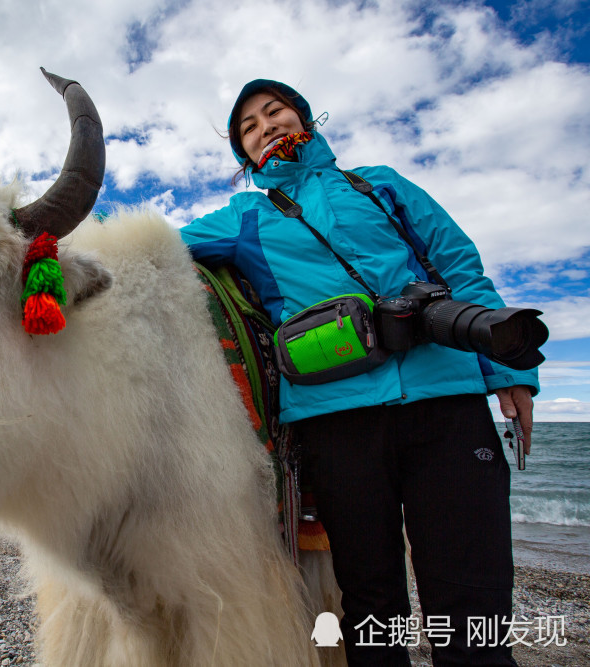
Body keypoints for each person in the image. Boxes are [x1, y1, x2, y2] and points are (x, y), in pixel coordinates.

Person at [180, 79, 539, 666]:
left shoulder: (377, 184)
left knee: (472, 606)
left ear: (304, 117)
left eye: (275, 111)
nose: (265, 126)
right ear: (243, 154)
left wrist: (509, 373)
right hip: (336, 423)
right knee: (372, 607)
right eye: (248, 127)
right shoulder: (243, 217)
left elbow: (458, 264)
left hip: (445, 402)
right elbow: (156, 251)